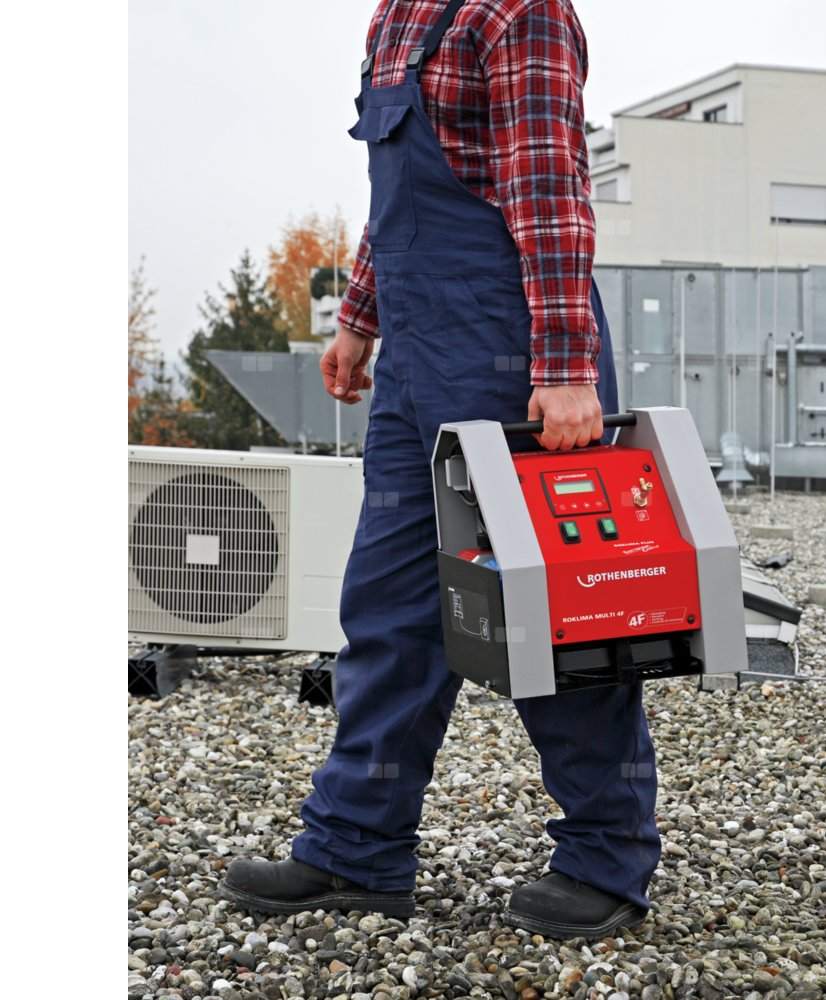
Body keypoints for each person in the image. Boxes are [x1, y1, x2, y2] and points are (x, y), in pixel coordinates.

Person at [220, 0, 662, 940]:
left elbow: (550, 192)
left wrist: (565, 368)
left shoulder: (519, 12)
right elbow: (397, 205)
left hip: (510, 355)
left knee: (556, 615)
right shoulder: (396, 15)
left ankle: (606, 856)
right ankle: (356, 847)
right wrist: (358, 318)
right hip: (417, 361)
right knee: (387, 606)